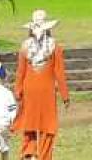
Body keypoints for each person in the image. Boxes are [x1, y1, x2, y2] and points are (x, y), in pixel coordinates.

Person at [13, 10, 70, 160]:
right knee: (48, 126)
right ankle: (44, 156)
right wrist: (65, 95)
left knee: (29, 124)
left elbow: (21, 71)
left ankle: (29, 153)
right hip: (47, 91)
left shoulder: (25, 47)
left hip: (29, 90)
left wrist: (17, 90)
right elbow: (59, 72)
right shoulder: (54, 47)